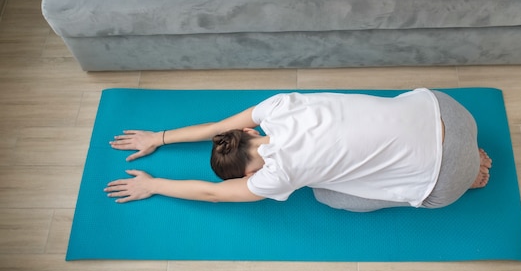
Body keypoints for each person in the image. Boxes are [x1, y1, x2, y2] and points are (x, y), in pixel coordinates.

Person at [105, 88, 492, 211]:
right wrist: (159, 136)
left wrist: (154, 185)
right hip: (449, 109)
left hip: (447, 177)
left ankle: (465, 172)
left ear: (250, 174)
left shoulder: (277, 175)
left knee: (326, 194)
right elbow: (215, 127)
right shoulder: (276, 107)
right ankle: (462, 153)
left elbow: (213, 193)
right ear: (246, 130)